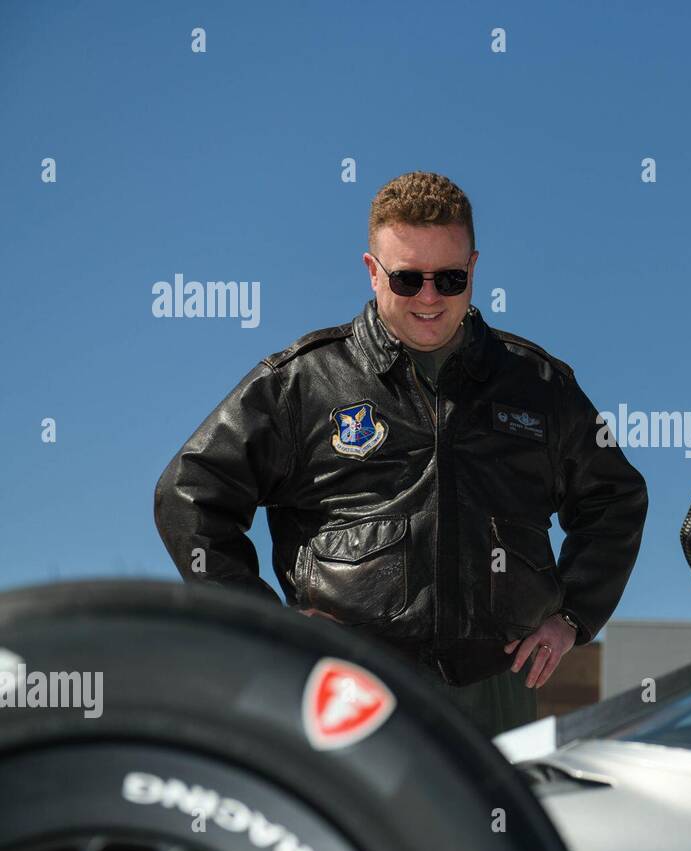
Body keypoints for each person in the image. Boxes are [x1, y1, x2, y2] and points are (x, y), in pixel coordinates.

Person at [155, 171, 648, 736]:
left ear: (475, 268)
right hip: (346, 688)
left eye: (451, 277)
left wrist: (572, 618)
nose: (431, 298)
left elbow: (616, 500)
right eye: (408, 279)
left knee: (488, 826)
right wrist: (270, 628)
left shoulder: (539, 386)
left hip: (496, 693)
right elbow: (187, 494)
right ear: (372, 271)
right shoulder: (304, 383)